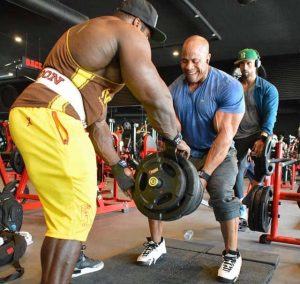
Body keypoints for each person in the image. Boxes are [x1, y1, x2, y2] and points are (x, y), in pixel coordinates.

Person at [8, 0, 190, 283]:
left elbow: (98, 125)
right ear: (137, 24)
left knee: (66, 215)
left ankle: (68, 265)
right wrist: (175, 139)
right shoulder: (124, 32)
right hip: (53, 117)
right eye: (147, 35)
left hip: (31, 115)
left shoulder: (89, 46)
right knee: (77, 211)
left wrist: (120, 171)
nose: (146, 42)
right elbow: (157, 97)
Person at [137, 35, 245, 283]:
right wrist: (176, 141)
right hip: (186, 150)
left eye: (195, 61)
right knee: (154, 186)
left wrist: (205, 174)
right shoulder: (174, 89)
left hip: (218, 151)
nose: (188, 67)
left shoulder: (227, 86)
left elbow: (225, 136)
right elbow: (166, 123)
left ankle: (232, 254)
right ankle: (156, 243)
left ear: (207, 59)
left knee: (222, 193)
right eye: (184, 61)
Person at [233, 48, 279, 228]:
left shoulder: (268, 89)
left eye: (248, 64)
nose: (245, 67)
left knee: (261, 164)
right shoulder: (234, 85)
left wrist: (264, 136)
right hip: (237, 134)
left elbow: (270, 115)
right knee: (236, 168)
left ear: (256, 65)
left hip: (257, 133)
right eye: (242, 64)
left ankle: (253, 191)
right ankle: (240, 205)